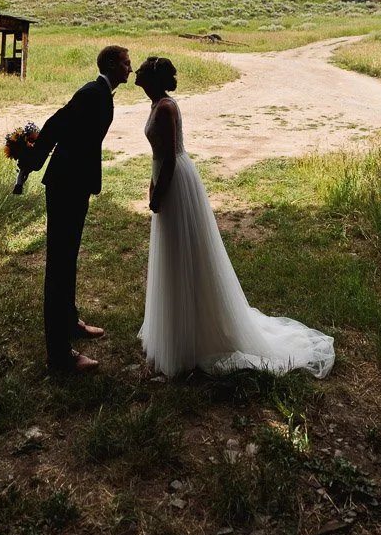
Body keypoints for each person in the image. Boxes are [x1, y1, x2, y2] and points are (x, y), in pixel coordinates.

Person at [135, 56, 335, 380]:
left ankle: (192, 341)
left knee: (185, 252)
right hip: (163, 178)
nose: (137, 72)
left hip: (177, 183)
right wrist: (151, 184)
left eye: (142, 69)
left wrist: (158, 194)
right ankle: (177, 331)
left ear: (153, 78)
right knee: (172, 254)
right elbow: (158, 156)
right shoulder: (156, 103)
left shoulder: (167, 108)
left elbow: (171, 158)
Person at [30, 44, 133, 373]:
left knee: (68, 257)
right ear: (114, 65)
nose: (130, 68)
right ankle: (58, 355)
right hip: (65, 185)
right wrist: (32, 160)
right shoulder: (93, 92)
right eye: (127, 63)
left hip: (75, 184)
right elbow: (56, 122)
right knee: (58, 266)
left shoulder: (103, 92)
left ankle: (71, 321)